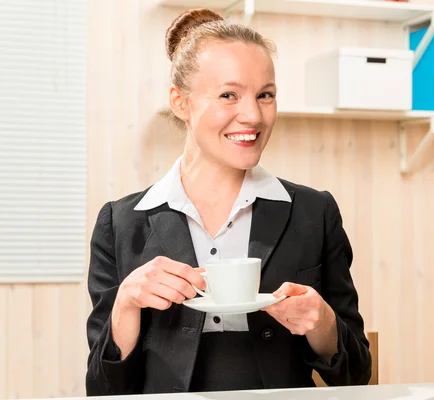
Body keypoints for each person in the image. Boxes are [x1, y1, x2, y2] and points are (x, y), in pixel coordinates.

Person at [85, 8, 371, 395]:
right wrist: (126, 304)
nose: (252, 115)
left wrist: (322, 323)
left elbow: (355, 375)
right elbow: (102, 389)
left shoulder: (314, 213)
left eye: (265, 95)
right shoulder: (121, 224)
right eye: (228, 95)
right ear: (181, 102)